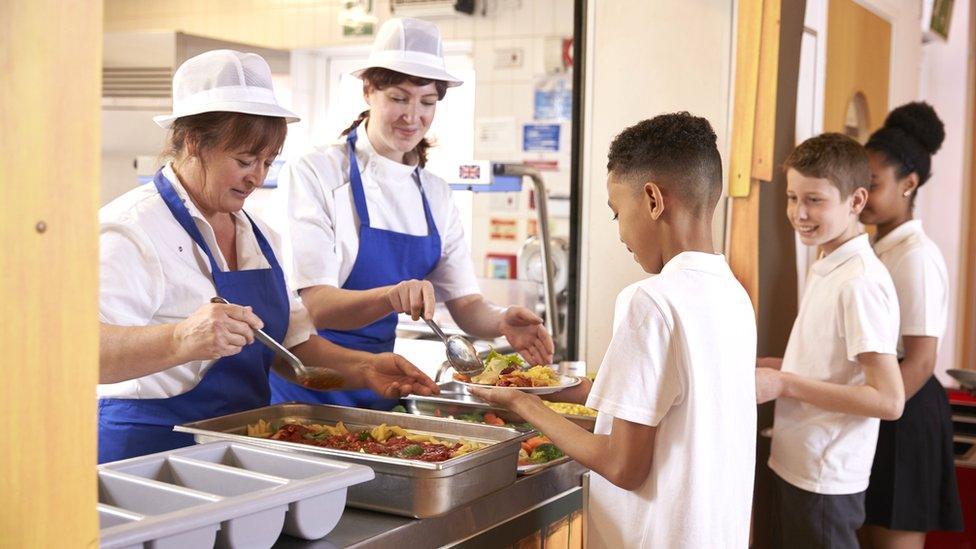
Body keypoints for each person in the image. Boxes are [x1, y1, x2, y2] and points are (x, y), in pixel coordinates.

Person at [98, 50, 436, 464]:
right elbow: (80, 353)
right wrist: (182, 338)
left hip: (237, 453)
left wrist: (365, 369)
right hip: (147, 456)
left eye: (267, 162)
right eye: (244, 160)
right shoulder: (132, 229)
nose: (257, 177)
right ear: (192, 143)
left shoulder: (259, 235)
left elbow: (292, 349)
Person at [472, 113, 758, 548]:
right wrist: (551, 389)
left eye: (617, 213)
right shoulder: (733, 295)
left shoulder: (650, 301)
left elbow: (624, 465)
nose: (621, 233)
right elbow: (667, 406)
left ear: (653, 200)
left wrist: (523, 404)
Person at [271, 17, 553, 410]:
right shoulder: (316, 172)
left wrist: (502, 320)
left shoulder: (435, 193)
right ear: (369, 90)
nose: (413, 116)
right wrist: (391, 296)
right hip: (312, 386)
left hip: (384, 386)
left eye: (427, 102)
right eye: (399, 98)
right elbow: (318, 306)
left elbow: (467, 305)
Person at [756, 133, 905, 549]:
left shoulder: (859, 281)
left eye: (814, 200)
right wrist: (774, 367)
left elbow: (889, 400)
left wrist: (784, 384)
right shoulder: (828, 262)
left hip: (824, 477)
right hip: (797, 461)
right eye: (791, 197)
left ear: (856, 201)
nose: (798, 213)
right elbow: (832, 363)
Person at [858, 102, 963, 547]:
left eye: (873, 184)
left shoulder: (915, 256)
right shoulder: (876, 247)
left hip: (905, 410)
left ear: (909, 184)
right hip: (883, 405)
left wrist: (870, 409)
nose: (860, 193)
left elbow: (921, 361)